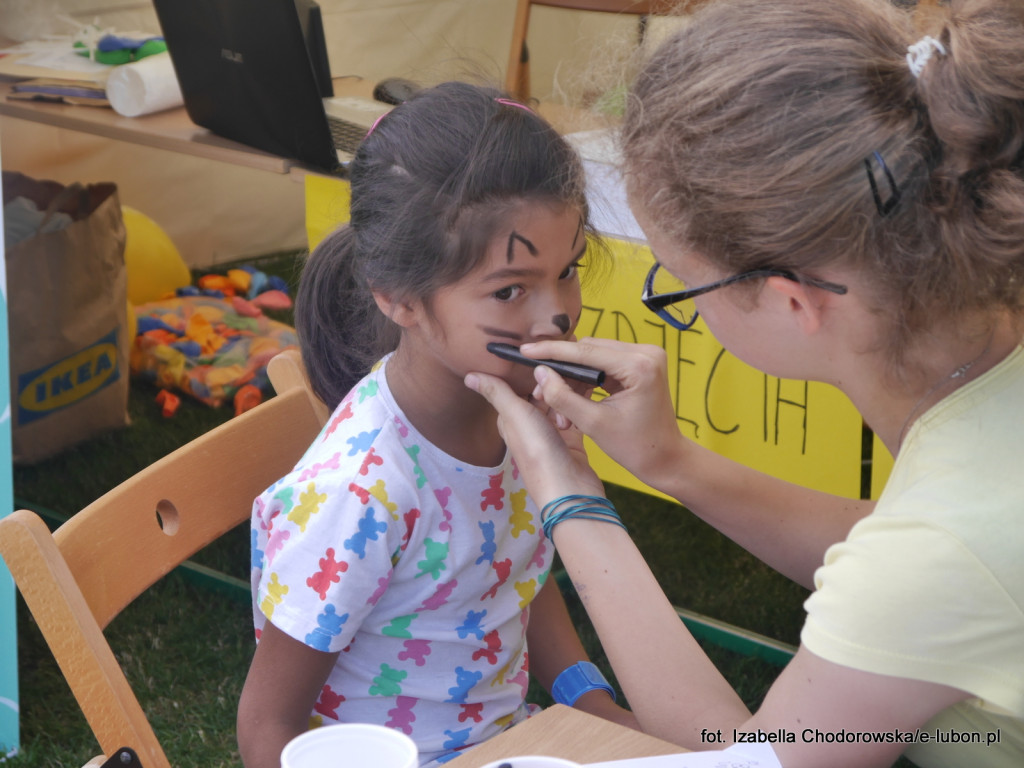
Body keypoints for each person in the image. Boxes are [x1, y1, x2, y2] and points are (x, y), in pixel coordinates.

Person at [464, 0, 1024, 766]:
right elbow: (914, 561)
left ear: (794, 301)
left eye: (680, 287)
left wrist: (569, 499)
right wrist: (672, 462)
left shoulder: (937, 553)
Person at [236, 82, 636, 768]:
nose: (556, 318)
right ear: (400, 298)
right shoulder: (360, 494)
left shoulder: (513, 413)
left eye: (567, 272)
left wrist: (589, 702)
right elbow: (266, 727)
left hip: (518, 742)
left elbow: (512, 581)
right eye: (510, 290)